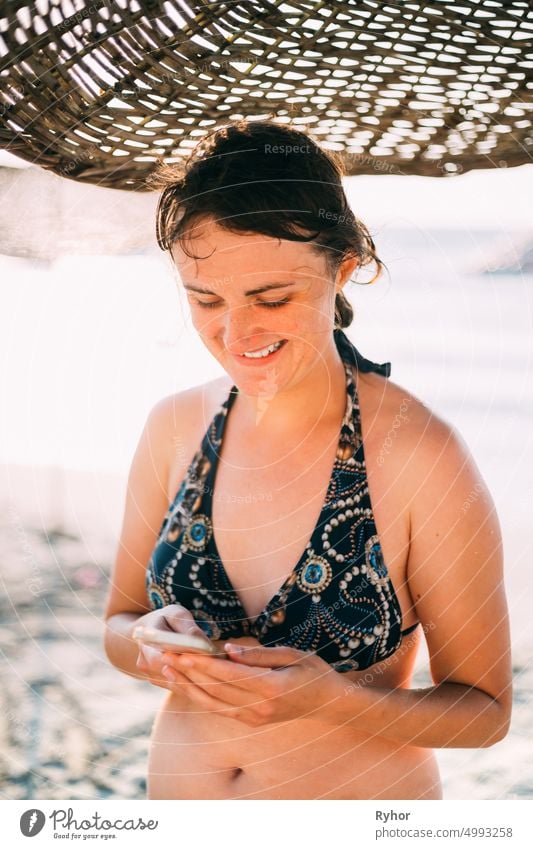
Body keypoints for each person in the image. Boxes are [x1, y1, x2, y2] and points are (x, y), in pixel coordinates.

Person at [103, 119, 512, 800]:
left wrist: (335, 701)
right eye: (205, 300)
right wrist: (150, 643)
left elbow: (487, 711)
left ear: (342, 267)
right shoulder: (173, 426)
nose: (236, 334)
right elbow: (117, 624)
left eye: (271, 298)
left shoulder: (419, 455)